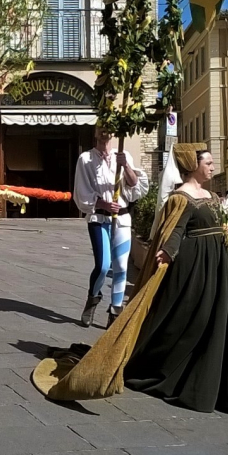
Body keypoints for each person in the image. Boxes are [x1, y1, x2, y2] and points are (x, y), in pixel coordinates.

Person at [33, 143, 228, 416]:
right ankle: (168, 369)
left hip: (218, 266)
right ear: (193, 164)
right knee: (192, 321)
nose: (213, 167)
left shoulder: (211, 195)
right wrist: (167, 251)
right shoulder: (181, 197)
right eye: (209, 162)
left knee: (217, 320)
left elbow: (217, 224)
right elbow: (174, 230)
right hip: (194, 268)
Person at [74, 126, 149, 328]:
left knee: (121, 267)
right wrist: (102, 203)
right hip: (99, 219)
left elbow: (135, 187)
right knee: (103, 265)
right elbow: (82, 193)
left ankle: (115, 310)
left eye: (109, 128)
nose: (105, 132)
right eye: (102, 128)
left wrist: (125, 166)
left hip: (122, 219)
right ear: (96, 132)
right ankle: (93, 298)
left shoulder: (123, 156)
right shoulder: (86, 159)